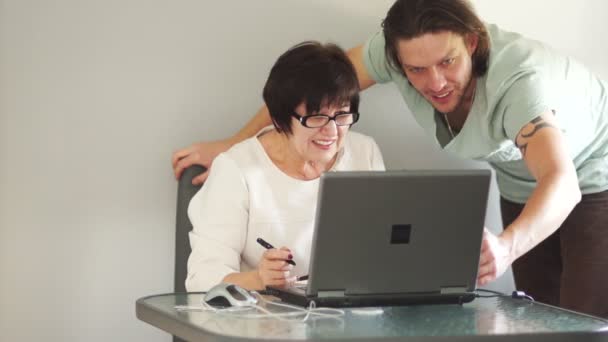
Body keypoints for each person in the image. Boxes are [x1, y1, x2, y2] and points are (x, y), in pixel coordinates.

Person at [173, 0, 608, 317]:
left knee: (583, 322)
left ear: (472, 44)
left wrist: (507, 246)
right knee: (539, 319)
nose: (434, 83)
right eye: (416, 70)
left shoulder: (519, 82)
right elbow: (312, 86)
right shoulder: (393, 51)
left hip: (591, 175)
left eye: (447, 62)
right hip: (520, 181)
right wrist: (233, 142)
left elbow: (562, 181)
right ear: (397, 60)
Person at [184, 41, 385, 292]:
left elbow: (382, 248)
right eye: (317, 117)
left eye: (342, 115)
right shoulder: (237, 169)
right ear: (280, 119)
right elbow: (202, 278)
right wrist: (259, 279)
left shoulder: (364, 152)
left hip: (350, 315)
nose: (332, 131)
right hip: (266, 320)